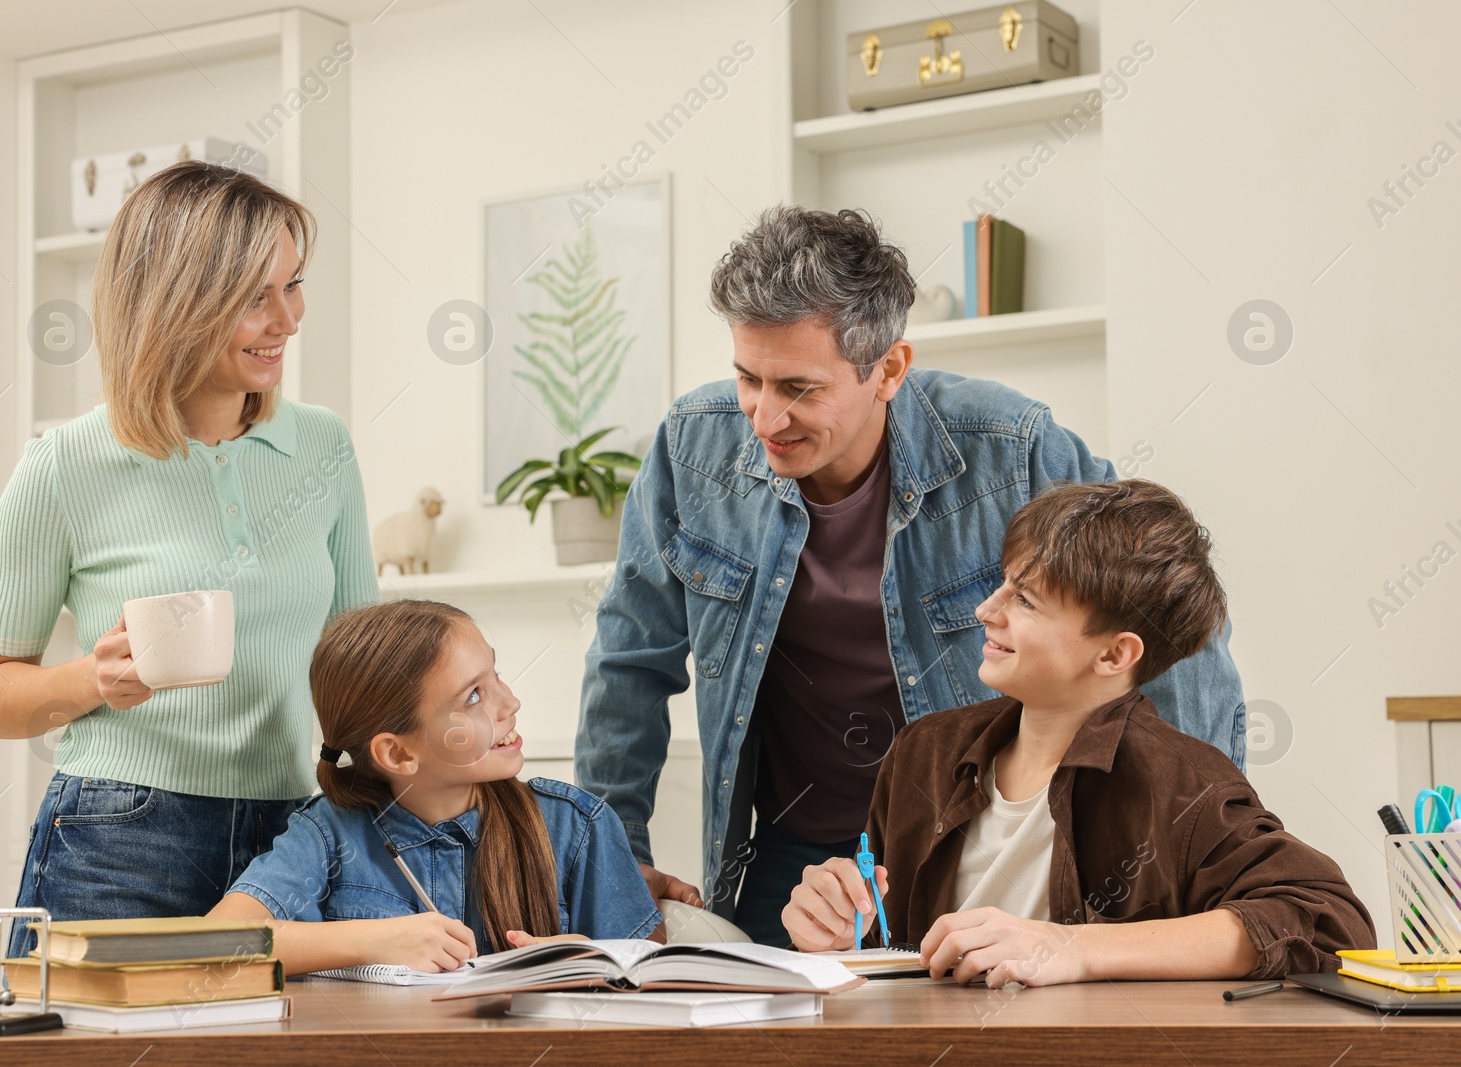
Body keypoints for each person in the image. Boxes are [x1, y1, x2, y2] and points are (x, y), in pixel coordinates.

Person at [573, 205, 1247, 945]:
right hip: (792, 857)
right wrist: (611, 857)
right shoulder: (690, 450)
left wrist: (1188, 842)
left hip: (963, 847)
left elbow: (1167, 619)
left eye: (798, 388)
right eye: (747, 378)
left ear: (889, 368)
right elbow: (629, 661)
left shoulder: (1011, 449)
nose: (764, 418)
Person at [0, 161, 379, 956]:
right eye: (255, 296)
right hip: (120, 837)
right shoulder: (65, 466)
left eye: (293, 285)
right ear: (176, 301)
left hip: (295, 831)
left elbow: (366, 660)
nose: (287, 319)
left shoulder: (322, 446)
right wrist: (94, 679)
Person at [783, 480, 1374, 984]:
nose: (987, 611)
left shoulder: (1185, 785)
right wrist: (838, 930)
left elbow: (1328, 922)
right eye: (1003, 583)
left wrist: (1073, 948)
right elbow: (882, 954)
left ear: (1116, 655)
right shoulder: (923, 752)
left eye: (1027, 602)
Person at [210, 600, 662, 975]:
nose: (510, 702)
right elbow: (213, 946)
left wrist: (598, 961)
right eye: (473, 696)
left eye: (496, 676)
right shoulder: (327, 835)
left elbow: (659, 978)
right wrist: (375, 940)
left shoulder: (577, 828)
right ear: (399, 754)